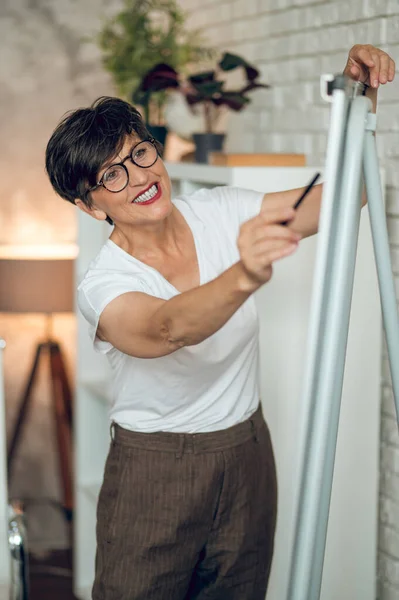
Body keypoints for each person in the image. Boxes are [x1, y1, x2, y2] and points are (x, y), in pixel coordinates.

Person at [45, 44, 394, 600]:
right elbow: (167, 329)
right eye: (111, 174)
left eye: (139, 154)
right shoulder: (104, 284)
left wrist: (358, 100)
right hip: (155, 468)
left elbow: (342, 197)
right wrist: (245, 273)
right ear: (91, 206)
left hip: (246, 452)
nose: (138, 176)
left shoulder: (222, 210)